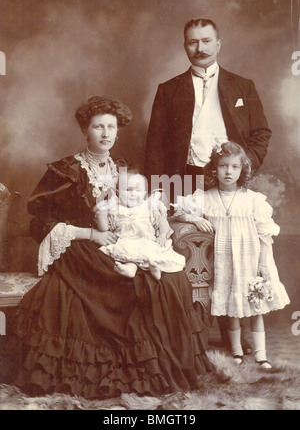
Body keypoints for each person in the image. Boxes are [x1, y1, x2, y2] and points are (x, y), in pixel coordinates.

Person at [1, 96, 212, 399]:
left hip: (123, 242)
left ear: (117, 131)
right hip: (82, 247)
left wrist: (157, 230)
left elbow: (145, 208)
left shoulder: (121, 169)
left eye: (110, 127)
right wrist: (88, 233)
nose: (105, 133)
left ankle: (165, 359)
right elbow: (39, 222)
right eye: (97, 127)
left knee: (169, 279)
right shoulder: (67, 170)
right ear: (85, 131)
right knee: (128, 281)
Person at [144, 17, 272, 350]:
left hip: (230, 181)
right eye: (192, 42)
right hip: (185, 181)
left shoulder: (243, 85)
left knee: (235, 251)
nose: (199, 48)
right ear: (184, 45)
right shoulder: (168, 89)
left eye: (205, 41)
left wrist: (243, 171)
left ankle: (244, 341)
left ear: (218, 43)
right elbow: (155, 146)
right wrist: (162, 192)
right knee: (189, 258)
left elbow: (261, 133)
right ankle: (191, 339)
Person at [173, 141, 290, 368]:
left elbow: (265, 234)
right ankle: (236, 351)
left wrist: (263, 264)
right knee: (231, 307)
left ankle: (261, 355)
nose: (228, 172)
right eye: (223, 166)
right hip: (225, 261)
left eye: (234, 167)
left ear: (242, 170)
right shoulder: (205, 197)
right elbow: (178, 213)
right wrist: (195, 218)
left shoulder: (252, 199)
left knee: (257, 307)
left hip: (251, 258)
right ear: (214, 169)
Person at [95, 170, 186, 280]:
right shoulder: (114, 209)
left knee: (155, 254)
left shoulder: (149, 207)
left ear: (144, 193)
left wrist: (162, 235)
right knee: (129, 256)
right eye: (128, 190)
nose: (133, 194)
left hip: (148, 241)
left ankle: (157, 270)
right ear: (118, 192)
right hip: (126, 242)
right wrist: (101, 215)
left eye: (138, 190)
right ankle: (131, 269)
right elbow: (104, 228)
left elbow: (163, 223)